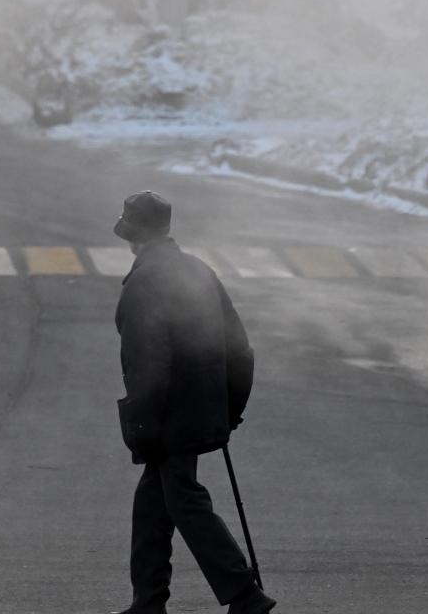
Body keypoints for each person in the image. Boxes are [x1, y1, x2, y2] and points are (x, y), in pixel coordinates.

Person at [111, 191, 276, 614]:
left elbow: (148, 363)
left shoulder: (145, 282)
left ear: (134, 237)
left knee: (184, 500)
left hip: (168, 415)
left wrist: (141, 425)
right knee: (154, 503)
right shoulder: (198, 270)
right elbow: (239, 348)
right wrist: (230, 408)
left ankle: (245, 595)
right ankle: (147, 602)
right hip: (198, 410)